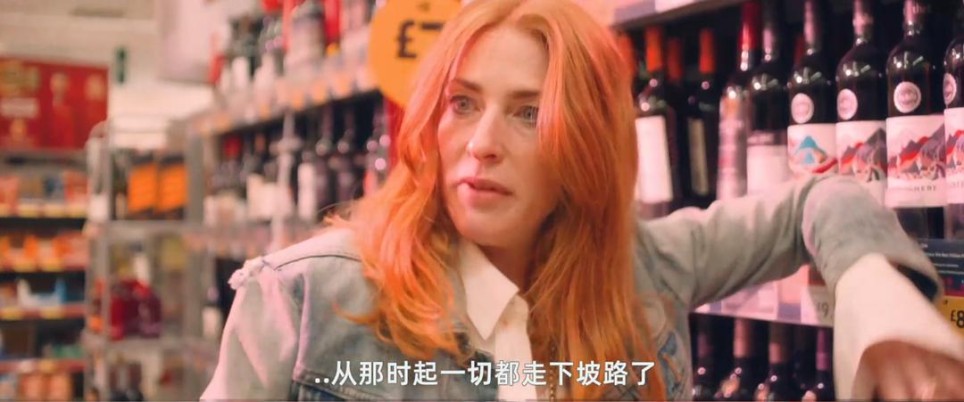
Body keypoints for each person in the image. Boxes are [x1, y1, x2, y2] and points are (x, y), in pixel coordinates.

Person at [201, 0, 964, 400]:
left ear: (585, 148)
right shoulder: (304, 300)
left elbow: (822, 202)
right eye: (463, 104)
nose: (482, 143)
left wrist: (878, 296)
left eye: (529, 113)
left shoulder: (645, 268)